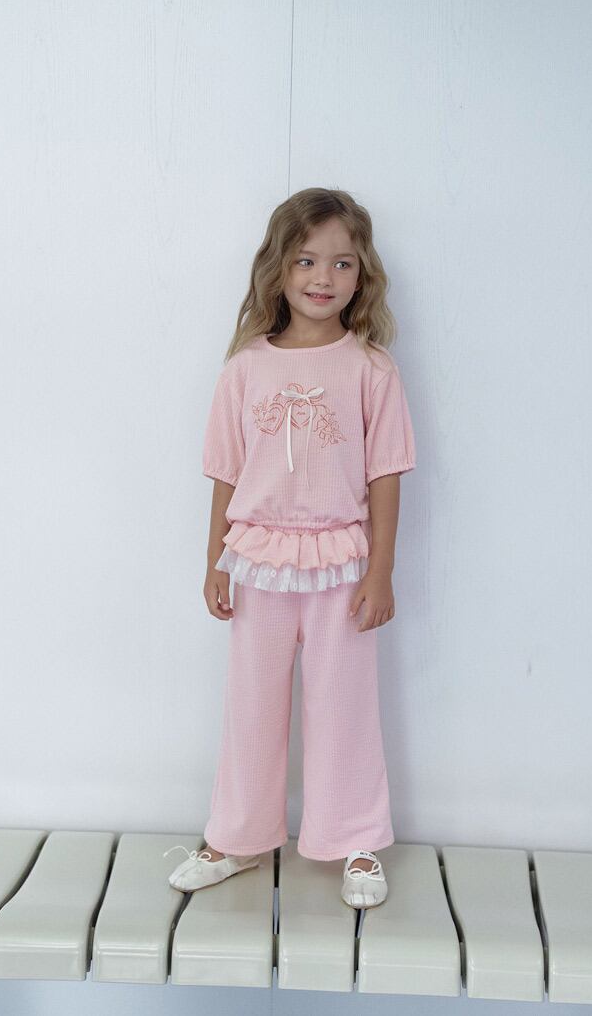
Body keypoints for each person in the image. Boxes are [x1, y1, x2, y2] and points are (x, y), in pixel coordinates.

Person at [164, 187, 416, 909]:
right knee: (252, 703)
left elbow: (386, 473)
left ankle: (355, 838)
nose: (323, 277)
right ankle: (238, 837)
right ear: (277, 268)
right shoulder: (245, 367)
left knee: (344, 703)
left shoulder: (371, 368)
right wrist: (214, 560)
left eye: (341, 263)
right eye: (306, 260)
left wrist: (381, 571)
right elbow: (226, 471)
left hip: (342, 564)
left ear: (361, 275)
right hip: (259, 563)